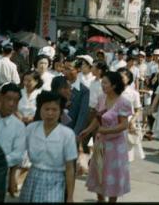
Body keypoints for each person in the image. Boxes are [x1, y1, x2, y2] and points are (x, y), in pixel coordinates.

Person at [80, 71, 132, 202]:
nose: (102, 85)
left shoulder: (123, 102)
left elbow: (124, 125)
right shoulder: (102, 98)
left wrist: (107, 130)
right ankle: (100, 199)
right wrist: (87, 130)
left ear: (114, 85)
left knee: (112, 174)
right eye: (102, 82)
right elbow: (98, 119)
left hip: (116, 146)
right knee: (98, 172)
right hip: (101, 142)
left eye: (105, 83)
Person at [19, 92, 77, 203]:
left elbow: (70, 167)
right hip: (32, 177)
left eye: (54, 109)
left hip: (56, 180)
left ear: (60, 112)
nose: (50, 113)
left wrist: (70, 196)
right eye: (46, 109)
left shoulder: (67, 134)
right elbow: (19, 153)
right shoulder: (31, 128)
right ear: (40, 110)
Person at [0, 83, 26, 198]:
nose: (11, 104)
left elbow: (17, 155)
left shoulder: (19, 126)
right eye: (8, 99)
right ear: (1, 97)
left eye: (15, 101)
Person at [118, 68, 145, 161]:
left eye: (122, 77)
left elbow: (138, 110)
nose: (120, 79)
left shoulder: (134, 93)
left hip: (127, 123)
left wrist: (133, 121)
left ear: (128, 79)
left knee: (126, 152)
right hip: (113, 122)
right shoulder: (112, 91)